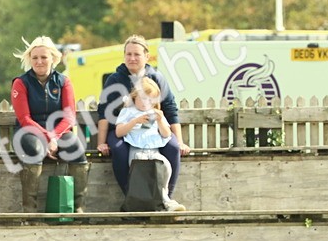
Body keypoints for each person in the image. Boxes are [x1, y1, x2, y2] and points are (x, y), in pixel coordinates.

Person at [95, 34, 192, 207]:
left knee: (172, 148)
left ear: (146, 56)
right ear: (124, 56)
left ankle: (164, 198)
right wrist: (101, 143)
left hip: (152, 130)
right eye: (128, 54)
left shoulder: (157, 78)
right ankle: (132, 197)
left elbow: (170, 109)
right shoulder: (115, 80)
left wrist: (181, 142)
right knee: (119, 150)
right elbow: (104, 113)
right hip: (121, 129)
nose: (132, 58)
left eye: (137, 54)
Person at [10, 36, 89, 212]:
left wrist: (53, 136)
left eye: (44, 57)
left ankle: (78, 209)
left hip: (58, 132)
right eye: (35, 57)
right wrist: (47, 138)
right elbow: (25, 119)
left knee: (77, 149)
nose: (39, 61)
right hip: (27, 132)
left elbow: (69, 117)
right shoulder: (20, 83)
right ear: (29, 59)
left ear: (53, 58)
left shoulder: (64, 82)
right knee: (35, 150)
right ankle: (30, 212)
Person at [115, 78, 185, 211]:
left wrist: (160, 120)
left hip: (154, 150)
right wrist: (135, 121)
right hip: (137, 151)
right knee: (143, 169)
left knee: (165, 167)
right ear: (134, 97)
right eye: (142, 99)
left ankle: (165, 198)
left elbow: (166, 134)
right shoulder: (127, 112)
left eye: (149, 100)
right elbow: (119, 132)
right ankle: (162, 202)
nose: (145, 103)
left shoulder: (156, 113)